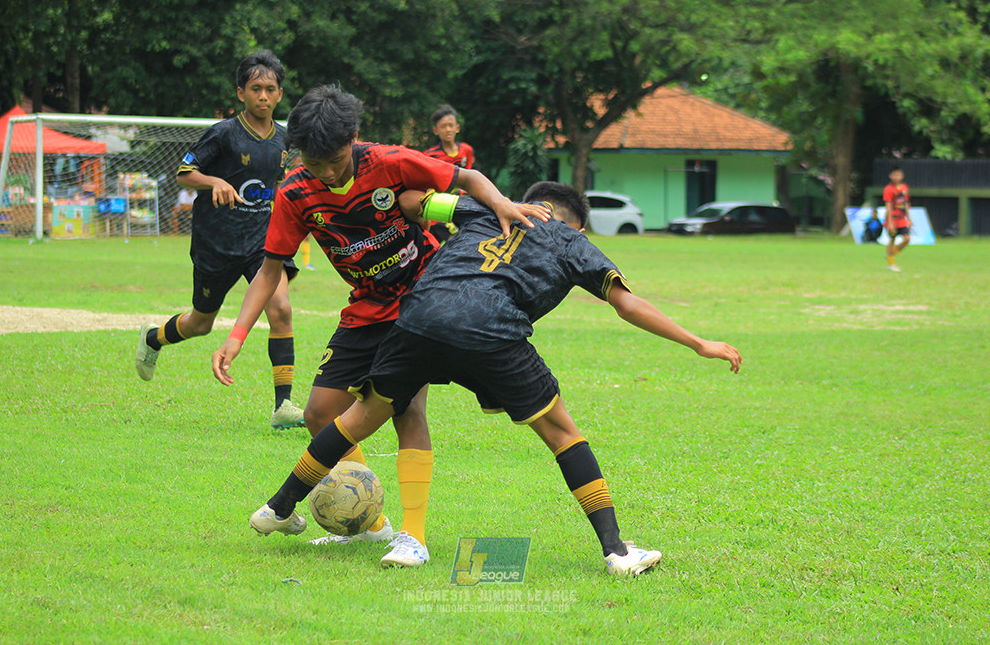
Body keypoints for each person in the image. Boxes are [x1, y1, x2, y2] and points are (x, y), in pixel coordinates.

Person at [237, 182, 742, 575]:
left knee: (357, 420)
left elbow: (412, 199)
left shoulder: (485, 207)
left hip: (419, 316)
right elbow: (626, 303)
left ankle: (279, 507)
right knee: (562, 433)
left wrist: (424, 199)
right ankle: (616, 551)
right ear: (578, 227)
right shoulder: (572, 241)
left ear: (525, 203)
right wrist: (699, 342)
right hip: (491, 329)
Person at [212, 85, 548, 548]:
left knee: (406, 408)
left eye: (335, 160)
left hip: (421, 301)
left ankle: (414, 534)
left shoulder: (387, 162)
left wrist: (502, 204)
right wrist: (236, 335)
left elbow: (468, 179)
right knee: (319, 413)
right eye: (315, 163)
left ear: (352, 137)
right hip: (367, 307)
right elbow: (269, 271)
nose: (328, 172)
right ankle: (369, 520)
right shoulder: (295, 193)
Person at [134, 49, 304, 431]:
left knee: (280, 308)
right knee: (200, 323)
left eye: (270, 89)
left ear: (279, 94)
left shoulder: (285, 139)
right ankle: (153, 338)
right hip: (217, 243)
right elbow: (184, 172)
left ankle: (284, 405)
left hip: (262, 243)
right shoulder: (224, 133)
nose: (263, 95)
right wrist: (214, 181)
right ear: (241, 92)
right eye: (255, 88)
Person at [422, 104, 476, 243]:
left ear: (457, 128)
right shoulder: (430, 155)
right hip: (441, 202)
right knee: (452, 240)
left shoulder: (466, 150)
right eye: (443, 126)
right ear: (436, 130)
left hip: (462, 199)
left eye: (450, 125)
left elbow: (469, 178)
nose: (448, 129)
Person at [883, 167, 912, 271]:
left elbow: (906, 203)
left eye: (899, 175)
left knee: (907, 239)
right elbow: (889, 205)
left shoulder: (904, 187)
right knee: (892, 239)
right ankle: (891, 264)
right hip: (893, 218)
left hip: (902, 218)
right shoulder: (888, 189)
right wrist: (890, 222)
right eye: (895, 175)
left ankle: (891, 254)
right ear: (890, 176)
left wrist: (909, 218)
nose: (897, 177)